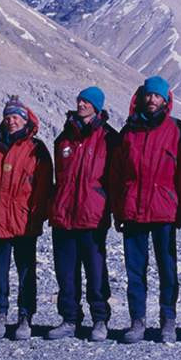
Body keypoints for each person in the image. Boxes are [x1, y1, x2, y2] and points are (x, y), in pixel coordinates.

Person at [109, 76, 181, 345]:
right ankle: (137, 321)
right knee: (135, 270)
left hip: (164, 211)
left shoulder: (178, 130)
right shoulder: (129, 132)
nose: (152, 100)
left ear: (165, 100)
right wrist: (118, 210)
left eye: (157, 96)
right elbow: (117, 174)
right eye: (148, 95)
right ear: (141, 97)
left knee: (167, 269)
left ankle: (168, 320)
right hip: (133, 210)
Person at [0, 96, 52, 342]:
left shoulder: (37, 150)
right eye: (8, 117)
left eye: (16, 117)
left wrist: (38, 214)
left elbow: (44, 185)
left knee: (26, 273)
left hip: (24, 223)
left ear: (25, 120)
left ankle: (25, 318)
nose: (11, 121)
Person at [46, 86, 118, 342]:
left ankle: (100, 319)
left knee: (96, 271)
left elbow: (114, 179)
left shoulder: (109, 138)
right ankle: (69, 319)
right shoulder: (64, 138)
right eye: (80, 100)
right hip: (64, 215)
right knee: (66, 272)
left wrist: (109, 207)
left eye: (87, 101)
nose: (82, 105)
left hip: (92, 215)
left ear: (97, 107)